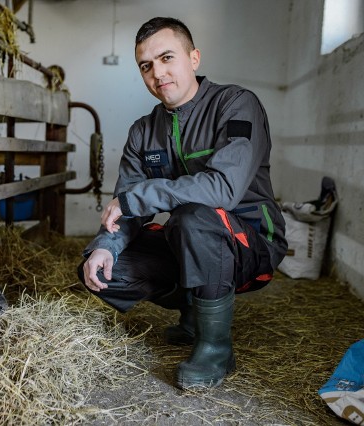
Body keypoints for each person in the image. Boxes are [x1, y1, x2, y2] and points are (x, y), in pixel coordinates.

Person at [78, 17, 287, 390]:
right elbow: (127, 208)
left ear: (193, 58)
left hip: (251, 242)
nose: (158, 73)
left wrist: (140, 196)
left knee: (195, 218)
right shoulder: (143, 131)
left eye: (167, 57)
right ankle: (194, 311)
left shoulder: (236, 105)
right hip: (189, 239)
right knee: (101, 270)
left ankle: (215, 347)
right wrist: (104, 247)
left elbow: (224, 188)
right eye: (146, 66)